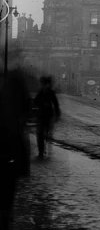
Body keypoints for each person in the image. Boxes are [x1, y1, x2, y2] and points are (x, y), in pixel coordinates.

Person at [0, 65, 31, 230]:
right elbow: (26, 110)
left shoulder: (9, 84)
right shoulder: (16, 84)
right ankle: (6, 214)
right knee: (9, 187)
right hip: (11, 149)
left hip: (8, 148)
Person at [34, 76, 60, 159]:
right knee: (41, 134)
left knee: (44, 133)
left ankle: (43, 151)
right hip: (44, 115)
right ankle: (41, 151)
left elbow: (55, 104)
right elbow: (36, 101)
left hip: (47, 115)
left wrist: (57, 114)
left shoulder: (48, 92)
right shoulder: (42, 92)